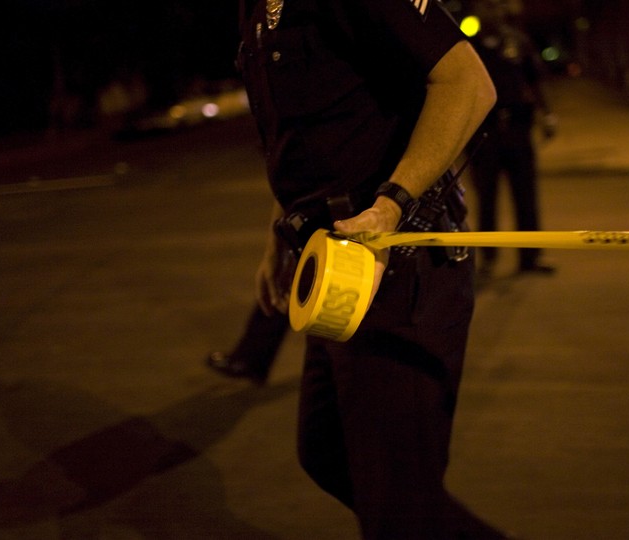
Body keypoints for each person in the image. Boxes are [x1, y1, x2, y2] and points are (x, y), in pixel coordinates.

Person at [236, 0, 508, 537]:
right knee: (327, 452)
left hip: (396, 263)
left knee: (396, 500)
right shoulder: (254, 8)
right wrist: (278, 239)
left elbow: (469, 84)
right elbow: (299, 137)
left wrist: (391, 204)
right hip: (333, 261)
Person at [466, 0, 557, 278]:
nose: (492, 12)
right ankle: (489, 259)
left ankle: (530, 257)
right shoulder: (468, 45)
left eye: (496, 6)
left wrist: (548, 115)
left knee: (526, 197)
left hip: (517, 128)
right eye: (486, 6)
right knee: (487, 199)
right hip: (484, 133)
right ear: (477, 10)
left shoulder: (517, 42)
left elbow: (535, 80)